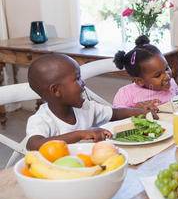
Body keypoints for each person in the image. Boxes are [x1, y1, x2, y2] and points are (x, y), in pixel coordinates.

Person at [26, 54, 156, 150]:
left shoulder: (86, 108)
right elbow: (34, 145)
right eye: (77, 79)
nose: (83, 82)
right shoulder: (41, 120)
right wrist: (81, 134)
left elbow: (115, 113)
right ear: (56, 90)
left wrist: (140, 112)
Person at [113, 36, 178, 109]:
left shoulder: (170, 83)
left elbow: (174, 96)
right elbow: (118, 116)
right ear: (139, 81)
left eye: (166, 68)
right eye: (158, 75)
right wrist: (137, 109)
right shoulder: (126, 94)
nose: (167, 76)